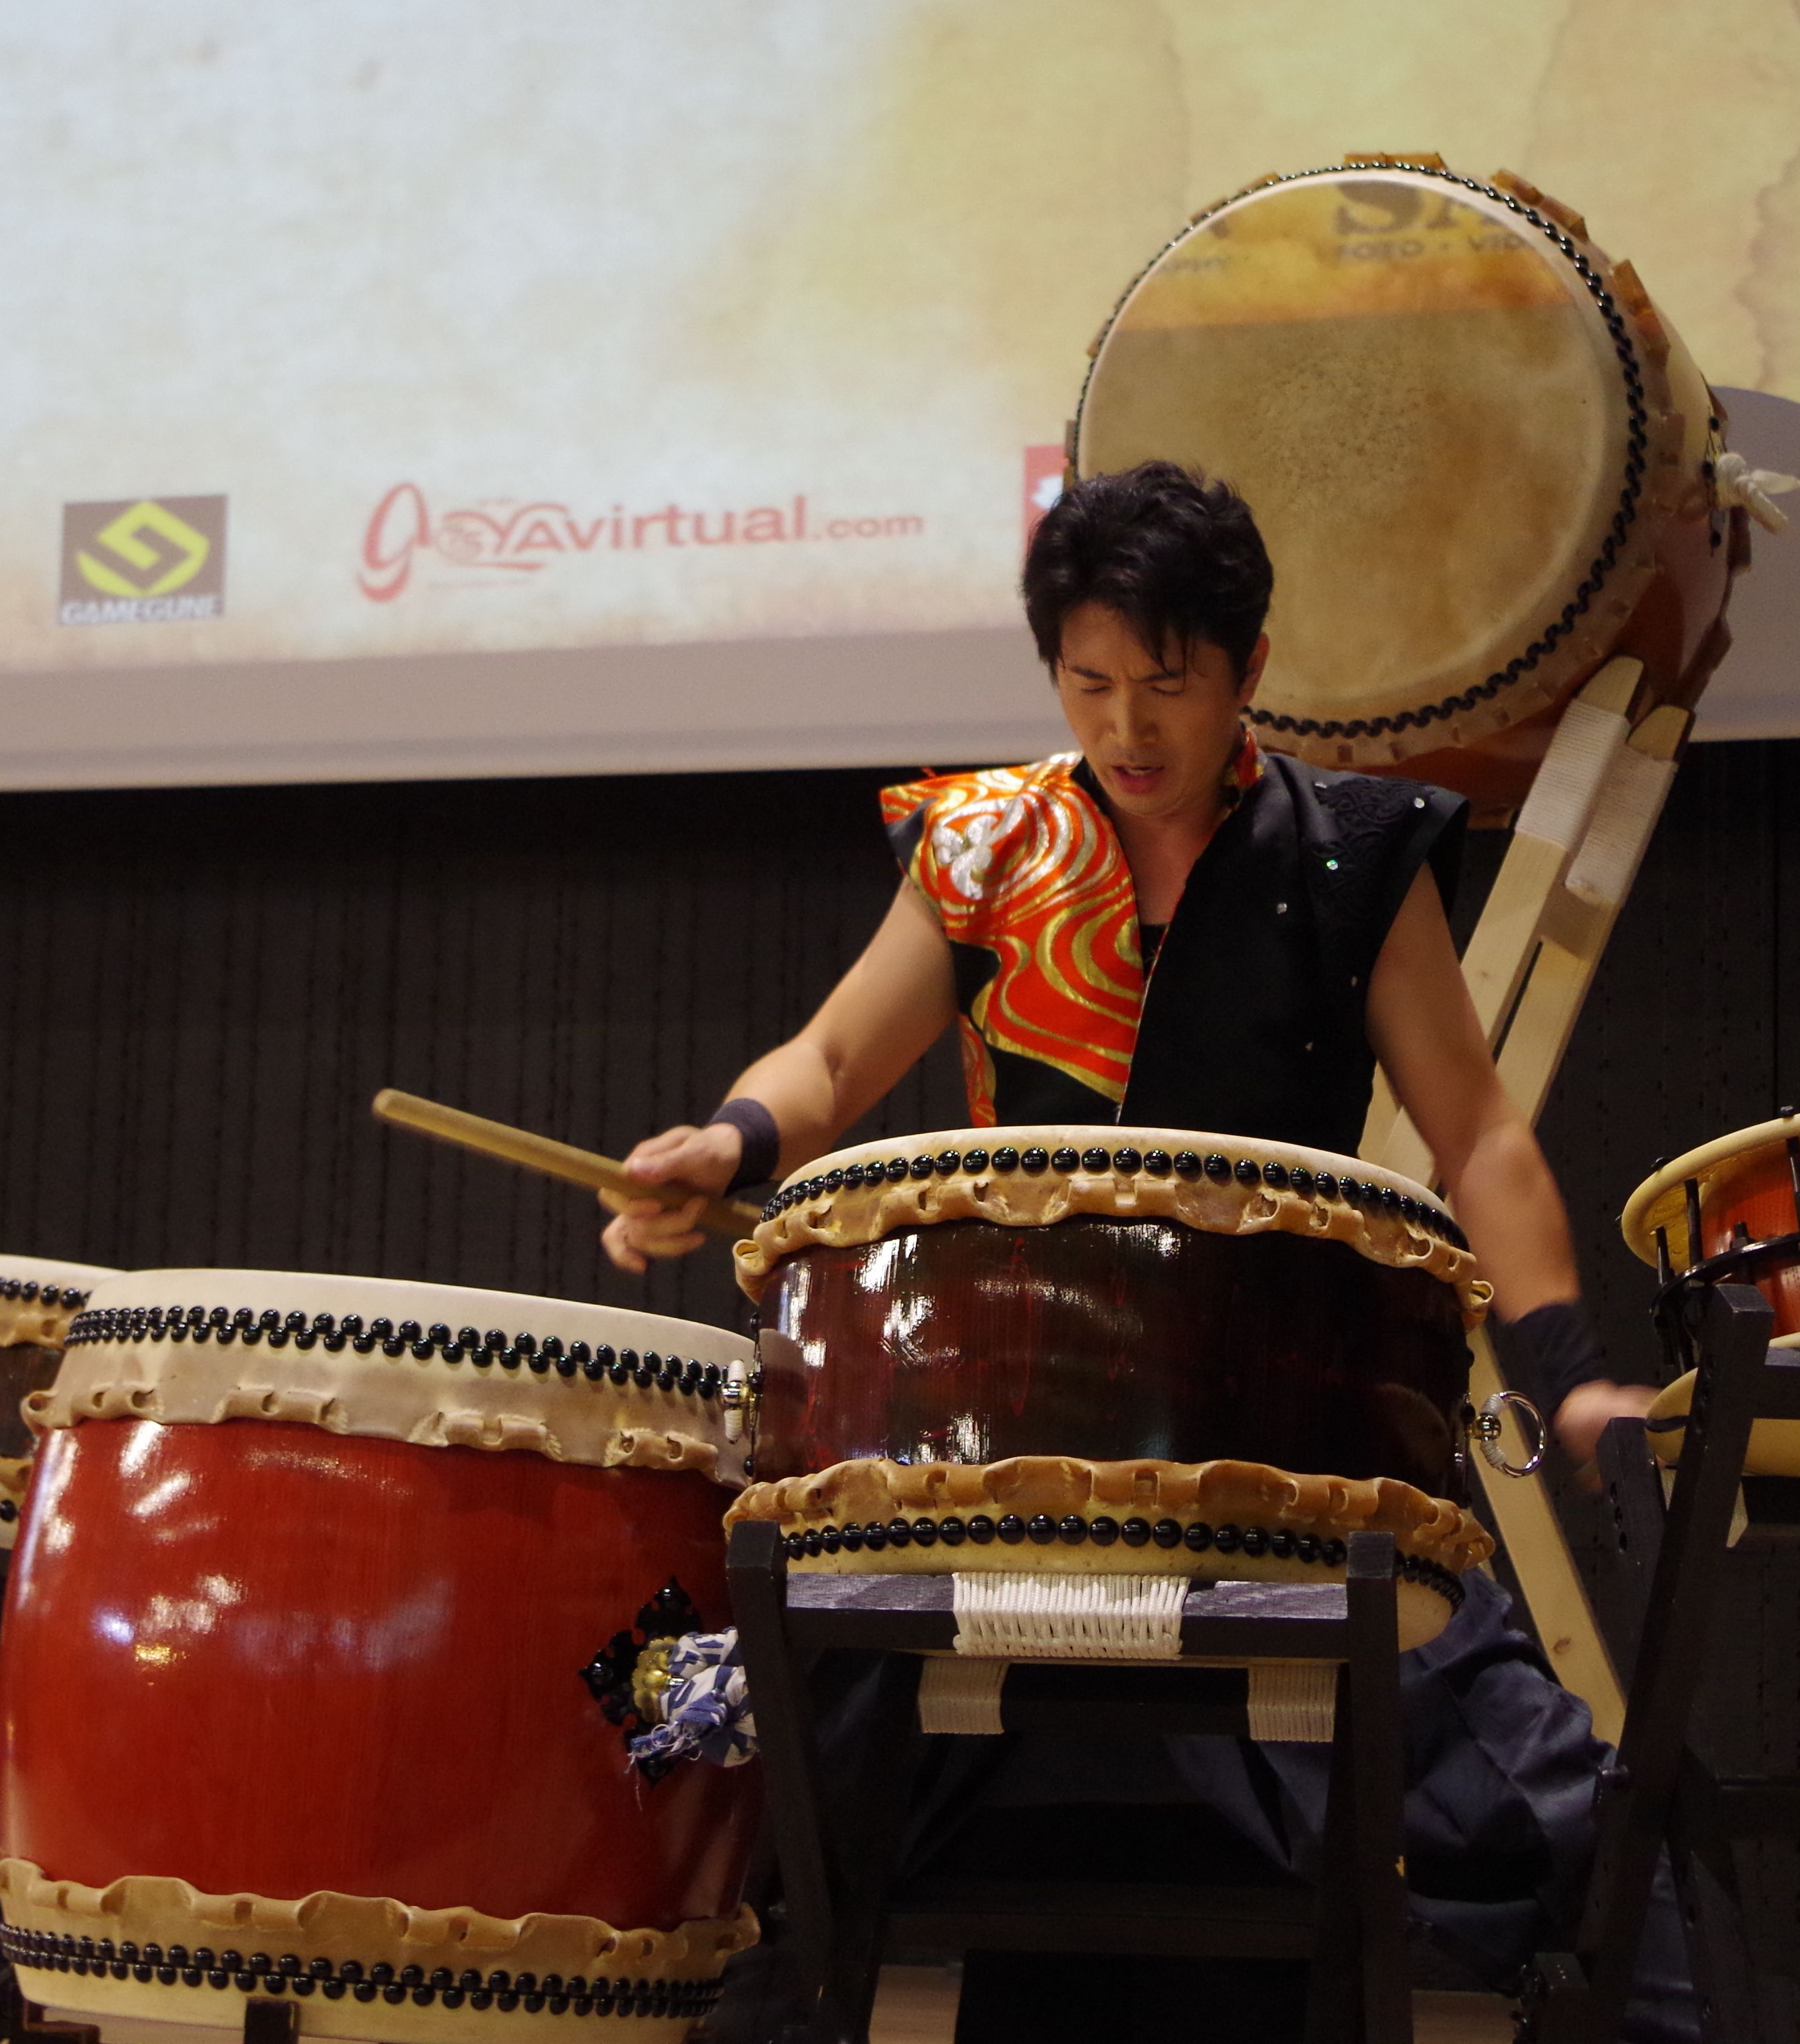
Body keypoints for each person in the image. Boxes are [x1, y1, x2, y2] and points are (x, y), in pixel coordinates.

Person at [605, 461, 1689, 2041]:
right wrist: (730, 1141)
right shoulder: (985, 844)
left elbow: (1480, 1136)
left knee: (1570, 1827)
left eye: (1167, 686)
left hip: (1280, 1443)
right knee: (698, 1737)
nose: (1127, 730)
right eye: (1090, 684)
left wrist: (1569, 1380)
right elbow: (830, 1065)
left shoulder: (1352, 853)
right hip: (996, 1451)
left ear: (1250, 671)